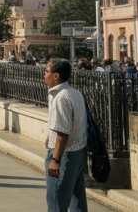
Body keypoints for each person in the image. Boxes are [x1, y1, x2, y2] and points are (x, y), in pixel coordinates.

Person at [44, 59, 88, 212]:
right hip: (78, 151)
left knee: (56, 200)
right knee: (77, 199)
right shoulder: (75, 93)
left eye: (47, 71)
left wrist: (55, 160)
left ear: (56, 76)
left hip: (64, 155)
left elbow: (62, 133)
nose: (44, 75)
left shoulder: (61, 97)